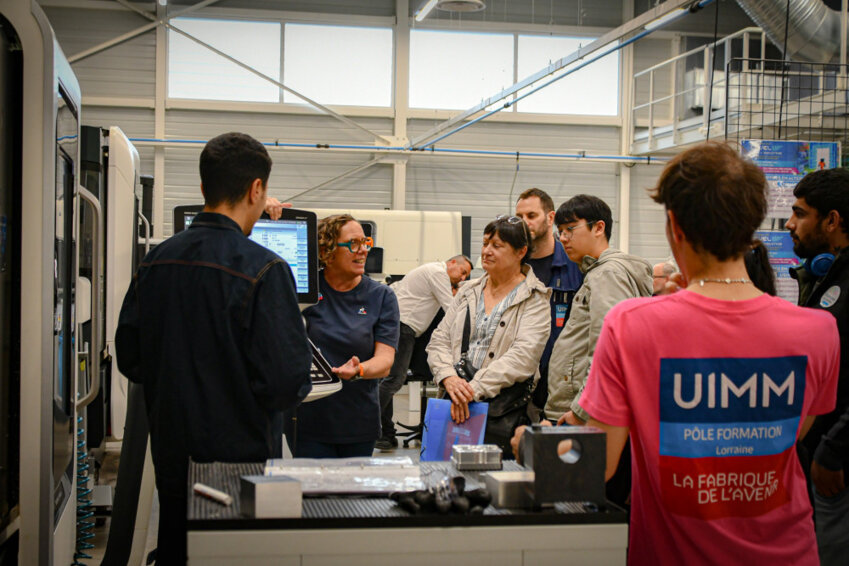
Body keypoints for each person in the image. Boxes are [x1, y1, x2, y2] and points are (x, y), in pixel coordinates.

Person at [576, 141, 839, 565]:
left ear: (675, 226)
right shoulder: (819, 331)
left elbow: (596, 466)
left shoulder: (631, 325)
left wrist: (528, 447)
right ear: (752, 224)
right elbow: (789, 436)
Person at [115, 132, 313, 564]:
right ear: (256, 190)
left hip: (170, 450)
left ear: (204, 188)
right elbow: (284, 382)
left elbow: (130, 355)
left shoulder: (156, 260)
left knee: (178, 546)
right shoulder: (267, 269)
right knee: (231, 550)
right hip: (237, 459)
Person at [427, 215, 551, 455]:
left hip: (502, 413)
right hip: (453, 402)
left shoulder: (535, 299)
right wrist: (449, 379)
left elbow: (523, 358)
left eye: (497, 245)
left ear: (520, 251)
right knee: (443, 478)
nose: (486, 251)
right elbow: (439, 341)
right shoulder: (467, 292)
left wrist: (473, 390)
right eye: (485, 244)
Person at [291, 214, 400, 458]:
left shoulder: (381, 296)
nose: (363, 251)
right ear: (327, 250)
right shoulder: (305, 291)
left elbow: (385, 361)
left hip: (357, 421)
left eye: (365, 243)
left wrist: (359, 369)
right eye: (353, 244)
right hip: (309, 420)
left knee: (352, 495)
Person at [544, 194, 652, 424]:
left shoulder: (607, 274)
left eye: (569, 229)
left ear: (598, 227)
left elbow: (610, 347)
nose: (563, 238)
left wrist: (582, 411)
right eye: (560, 232)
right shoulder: (597, 272)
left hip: (582, 415)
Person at [787, 167, 849, 565]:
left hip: (837, 464)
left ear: (832, 220)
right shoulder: (831, 276)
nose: (790, 224)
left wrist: (833, 450)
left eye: (800, 213)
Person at [376, 255, 473, 450]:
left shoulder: (428, 270)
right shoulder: (438, 273)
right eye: (463, 272)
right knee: (394, 380)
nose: (462, 278)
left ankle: (386, 434)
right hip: (403, 328)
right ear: (452, 262)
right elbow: (451, 308)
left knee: (388, 379)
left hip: (401, 327)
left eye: (466, 276)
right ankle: (366, 421)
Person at [514, 188, 583, 416]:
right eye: (519, 217)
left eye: (531, 216)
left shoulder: (575, 266)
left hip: (561, 386)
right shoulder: (511, 267)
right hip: (515, 384)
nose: (524, 223)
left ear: (550, 218)